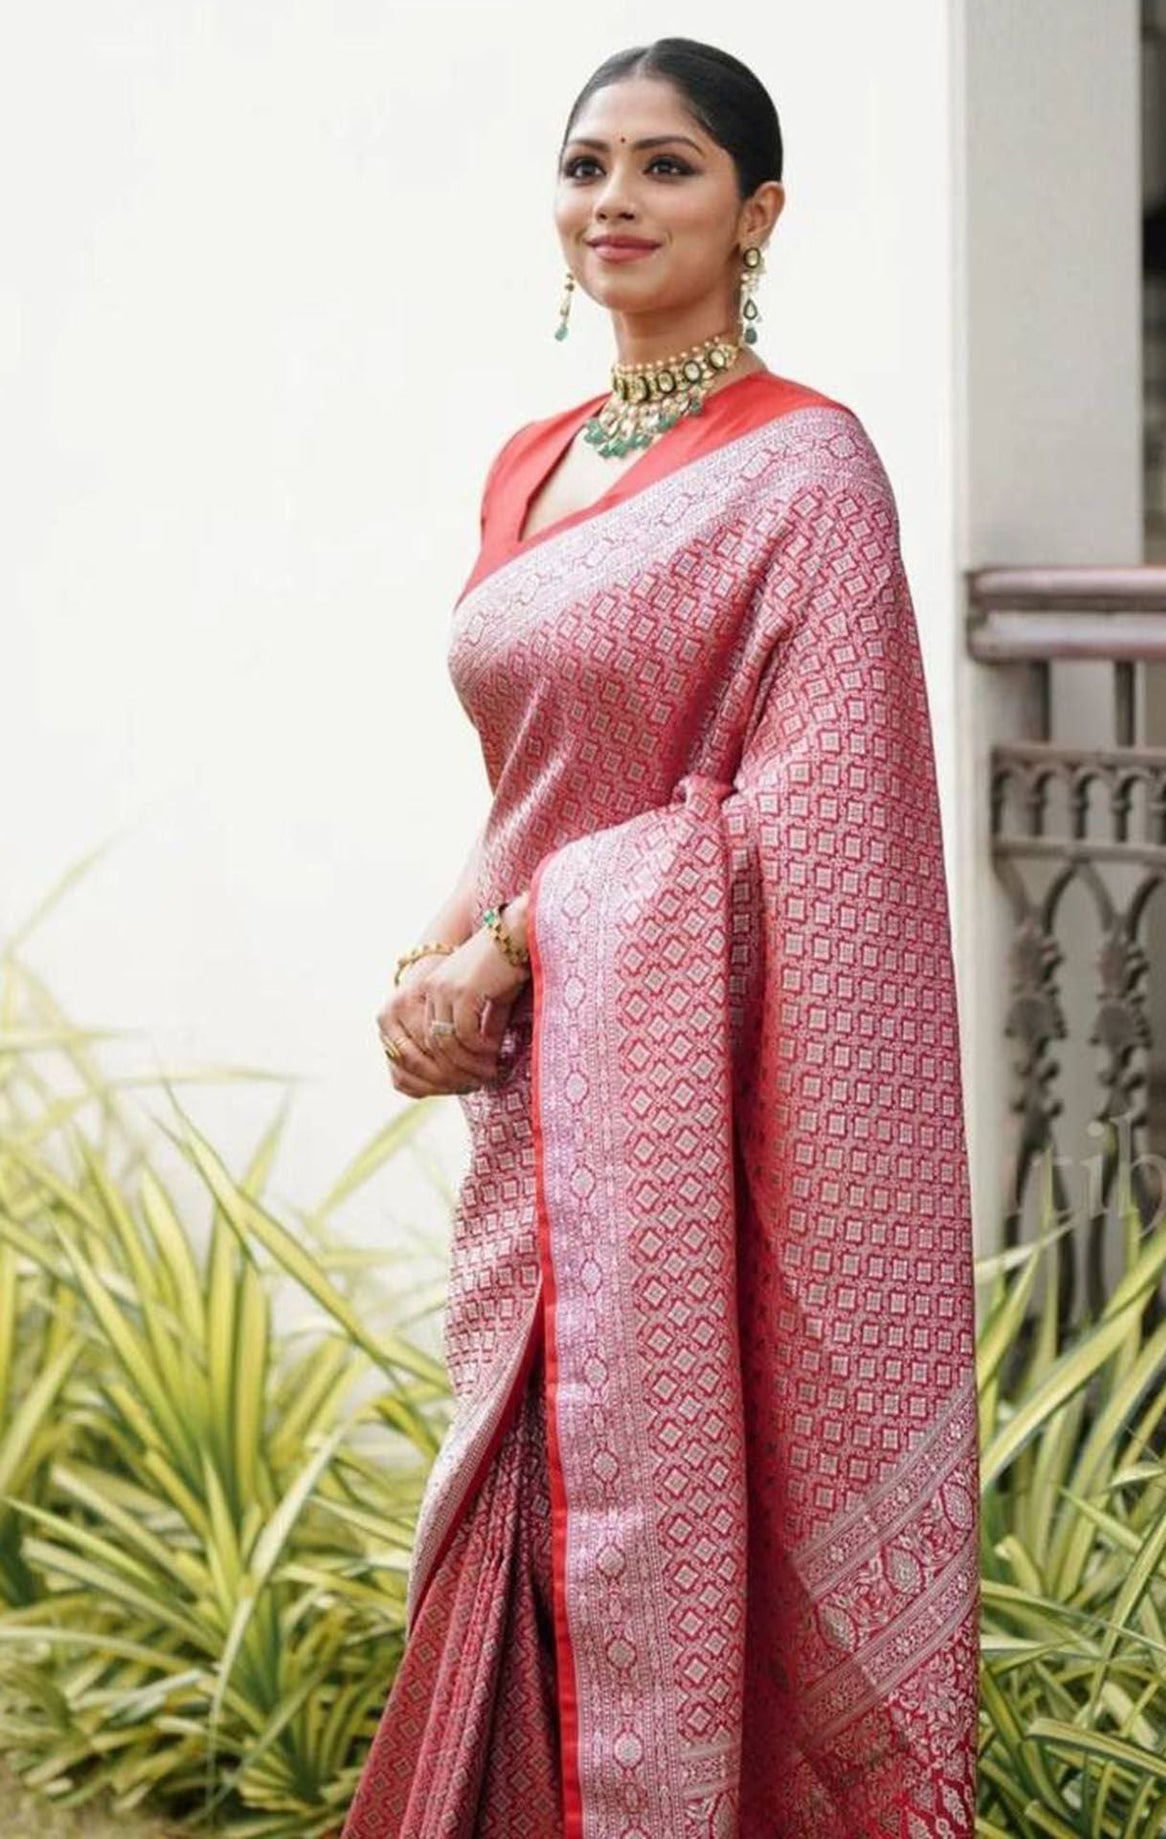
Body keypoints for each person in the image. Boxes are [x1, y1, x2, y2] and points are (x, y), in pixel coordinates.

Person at [346, 36, 978, 1839]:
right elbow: (537, 775)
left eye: (668, 167)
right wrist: (434, 957)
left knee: (667, 1510)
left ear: (757, 210)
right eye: (586, 166)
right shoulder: (529, 461)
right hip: (547, 1094)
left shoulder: (806, 474)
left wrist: (521, 944)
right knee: (509, 1509)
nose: (613, 201)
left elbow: (805, 832)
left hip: (683, 1102)